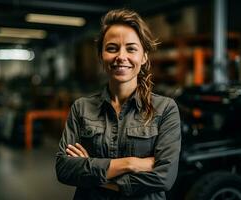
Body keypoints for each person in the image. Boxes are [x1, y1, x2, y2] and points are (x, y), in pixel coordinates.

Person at [56, 8, 181, 200]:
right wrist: (130, 163)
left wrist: (93, 173)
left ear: (144, 56)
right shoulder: (81, 108)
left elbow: (164, 177)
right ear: (101, 56)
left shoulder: (165, 109)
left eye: (131, 48)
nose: (121, 56)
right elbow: (64, 169)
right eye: (112, 48)